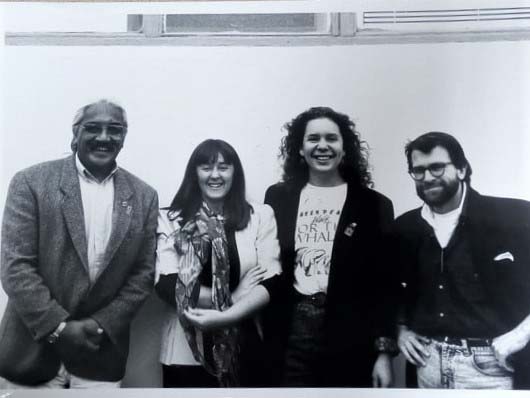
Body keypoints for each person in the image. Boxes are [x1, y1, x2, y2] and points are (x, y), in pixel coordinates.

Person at [0, 100, 159, 388]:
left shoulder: (144, 196)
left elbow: (143, 274)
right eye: (93, 128)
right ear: (75, 134)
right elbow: (15, 266)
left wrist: (101, 324)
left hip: (100, 358)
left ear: (124, 137)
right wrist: (58, 327)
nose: (103, 137)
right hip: (29, 357)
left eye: (114, 129)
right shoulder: (30, 183)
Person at [263, 106, 397, 387]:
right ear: (300, 148)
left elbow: (384, 285)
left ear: (344, 147)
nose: (322, 146)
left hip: (351, 335)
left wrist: (383, 354)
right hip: (291, 332)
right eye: (313, 139)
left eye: (331, 138)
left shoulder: (374, 205)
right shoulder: (278, 197)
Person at [395, 131, 530, 389]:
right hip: (427, 366)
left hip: (494, 369)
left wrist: (521, 335)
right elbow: (387, 288)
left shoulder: (513, 217)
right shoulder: (405, 227)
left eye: (436, 167)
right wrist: (400, 329)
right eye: (418, 170)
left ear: (461, 169)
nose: (427, 178)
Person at [155, 139, 281, 387]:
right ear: (195, 173)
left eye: (223, 167)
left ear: (235, 173)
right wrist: (232, 298)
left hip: (246, 348)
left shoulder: (260, 216)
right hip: (186, 354)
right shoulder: (171, 219)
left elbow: (272, 280)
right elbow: (168, 285)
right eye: (206, 167)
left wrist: (227, 315)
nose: (215, 175)